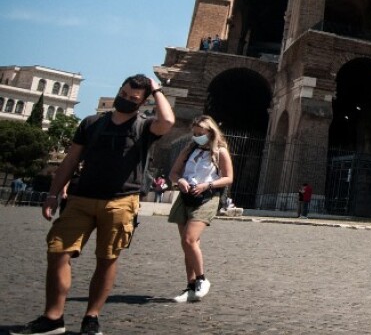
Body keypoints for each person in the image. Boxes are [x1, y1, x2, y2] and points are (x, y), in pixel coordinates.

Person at [15, 74, 174, 335]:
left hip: (121, 201)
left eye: (133, 98)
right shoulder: (91, 123)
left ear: (143, 101)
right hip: (81, 197)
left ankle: (92, 317)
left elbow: (167, 121)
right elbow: (70, 160)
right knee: (57, 252)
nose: (125, 100)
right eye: (123, 94)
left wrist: (157, 89)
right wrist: (54, 194)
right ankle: (53, 317)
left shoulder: (145, 127)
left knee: (107, 259)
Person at [167, 115, 233, 304]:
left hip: (207, 197)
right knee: (187, 244)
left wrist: (208, 185)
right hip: (186, 196)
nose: (196, 136)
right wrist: (179, 180)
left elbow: (228, 178)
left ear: (210, 133)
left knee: (189, 239)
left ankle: (202, 279)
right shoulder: (189, 150)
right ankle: (191, 286)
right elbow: (174, 172)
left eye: (200, 133)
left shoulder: (220, 152)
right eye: (194, 133)